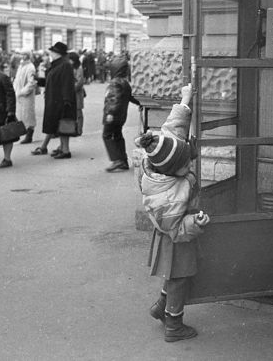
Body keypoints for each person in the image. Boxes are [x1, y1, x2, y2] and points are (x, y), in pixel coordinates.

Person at [135, 83, 209, 343]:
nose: (190, 163)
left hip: (170, 237)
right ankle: (174, 325)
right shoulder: (167, 196)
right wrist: (195, 222)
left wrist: (185, 98)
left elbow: (173, 126)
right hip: (176, 239)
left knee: (174, 275)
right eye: (185, 164)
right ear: (172, 170)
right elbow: (177, 229)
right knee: (179, 279)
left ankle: (160, 308)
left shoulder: (162, 151)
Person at [31, 42, 76, 159]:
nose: (50, 53)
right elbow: (50, 80)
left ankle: (66, 151)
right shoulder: (56, 64)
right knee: (56, 124)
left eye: (52, 51)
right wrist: (38, 80)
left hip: (61, 100)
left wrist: (66, 100)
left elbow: (67, 83)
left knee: (63, 124)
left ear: (57, 53)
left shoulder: (65, 65)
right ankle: (62, 149)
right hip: (54, 99)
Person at [102, 54, 141, 172]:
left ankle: (116, 160)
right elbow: (131, 97)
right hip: (121, 115)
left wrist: (110, 114)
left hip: (113, 115)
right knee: (118, 135)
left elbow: (113, 100)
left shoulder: (115, 83)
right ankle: (123, 160)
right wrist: (141, 103)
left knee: (107, 135)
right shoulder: (124, 82)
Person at [13, 49, 38, 144]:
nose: (22, 56)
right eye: (21, 54)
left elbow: (31, 82)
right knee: (21, 115)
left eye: (24, 54)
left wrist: (22, 92)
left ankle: (29, 135)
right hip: (19, 94)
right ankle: (22, 133)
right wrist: (15, 90)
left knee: (28, 115)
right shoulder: (21, 66)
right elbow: (17, 79)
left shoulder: (31, 67)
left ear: (28, 55)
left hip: (26, 95)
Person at [68, 51, 86, 136]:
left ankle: (79, 130)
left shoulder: (79, 68)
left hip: (77, 93)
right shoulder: (70, 67)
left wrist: (72, 89)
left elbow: (80, 82)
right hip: (71, 92)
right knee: (71, 112)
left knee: (78, 112)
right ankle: (73, 129)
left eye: (70, 59)